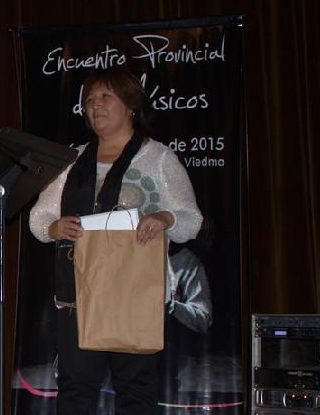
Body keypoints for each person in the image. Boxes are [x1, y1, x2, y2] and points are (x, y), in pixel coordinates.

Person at [29, 67, 202, 414]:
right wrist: (54, 228)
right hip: (79, 295)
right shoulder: (73, 160)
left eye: (106, 96)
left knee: (136, 391)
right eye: (90, 100)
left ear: (131, 105)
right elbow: (38, 218)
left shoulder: (158, 158)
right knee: (75, 390)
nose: (95, 105)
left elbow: (191, 220)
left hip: (135, 293)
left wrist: (164, 219)